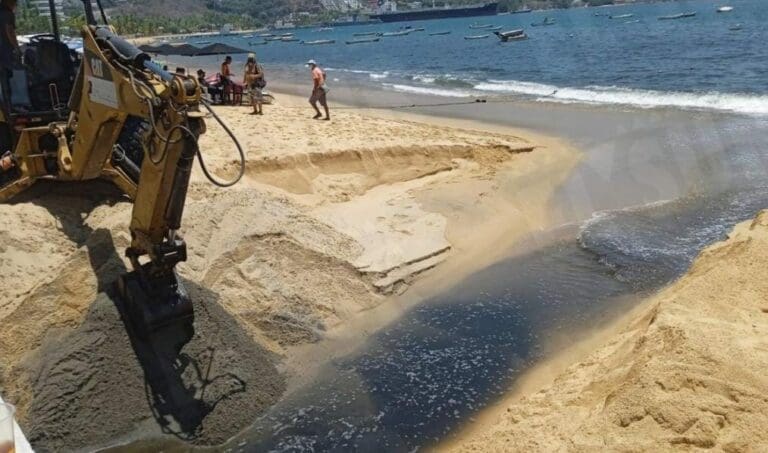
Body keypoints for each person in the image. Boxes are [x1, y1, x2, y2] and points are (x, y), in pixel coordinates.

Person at [0, 0, 19, 121]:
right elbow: (9, 31)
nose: (16, 5)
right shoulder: (7, 14)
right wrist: (17, 48)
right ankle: (9, 108)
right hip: (4, 53)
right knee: (6, 79)